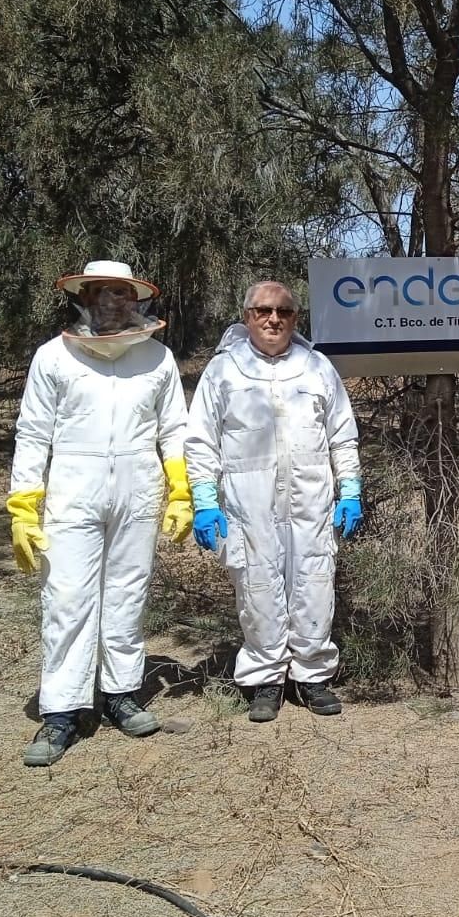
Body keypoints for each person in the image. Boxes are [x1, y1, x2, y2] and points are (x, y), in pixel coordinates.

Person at [6, 261, 192, 767]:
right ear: (84, 298)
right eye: (102, 292)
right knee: (67, 597)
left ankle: (120, 692)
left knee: (128, 592)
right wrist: (24, 504)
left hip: (137, 485)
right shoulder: (54, 357)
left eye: (121, 292)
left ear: (136, 300)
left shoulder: (156, 358)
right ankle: (62, 710)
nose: (113, 300)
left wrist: (180, 490)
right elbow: (33, 432)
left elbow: (175, 429)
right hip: (73, 487)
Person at [184, 280, 363, 722]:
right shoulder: (224, 370)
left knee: (315, 583)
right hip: (250, 505)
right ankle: (266, 678)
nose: (273, 319)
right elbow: (200, 439)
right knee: (258, 587)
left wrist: (351, 490)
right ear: (247, 316)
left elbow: (342, 433)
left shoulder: (317, 368)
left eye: (283, 312)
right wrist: (205, 499)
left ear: (295, 319)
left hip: (312, 503)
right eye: (263, 310)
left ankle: (312, 675)